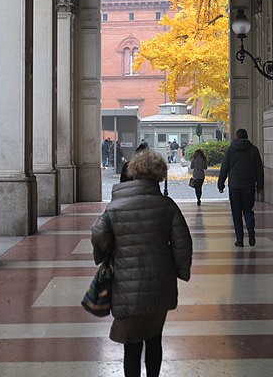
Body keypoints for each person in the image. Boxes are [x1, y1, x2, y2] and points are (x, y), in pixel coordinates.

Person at [92, 150, 192, 377]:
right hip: (160, 281)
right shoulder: (167, 206)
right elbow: (182, 243)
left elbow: (98, 233)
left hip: (126, 283)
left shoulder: (116, 207)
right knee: (155, 339)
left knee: (131, 343)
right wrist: (180, 270)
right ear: (158, 175)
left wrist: (106, 252)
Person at [217, 128, 264, 247]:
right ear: (247, 137)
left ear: (237, 137)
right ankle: (250, 229)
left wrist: (221, 184)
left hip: (234, 186)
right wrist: (260, 185)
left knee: (236, 213)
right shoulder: (254, 150)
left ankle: (239, 240)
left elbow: (224, 168)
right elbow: (259, 169)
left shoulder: (230, 150)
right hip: (249, 185)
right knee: (248, 210)